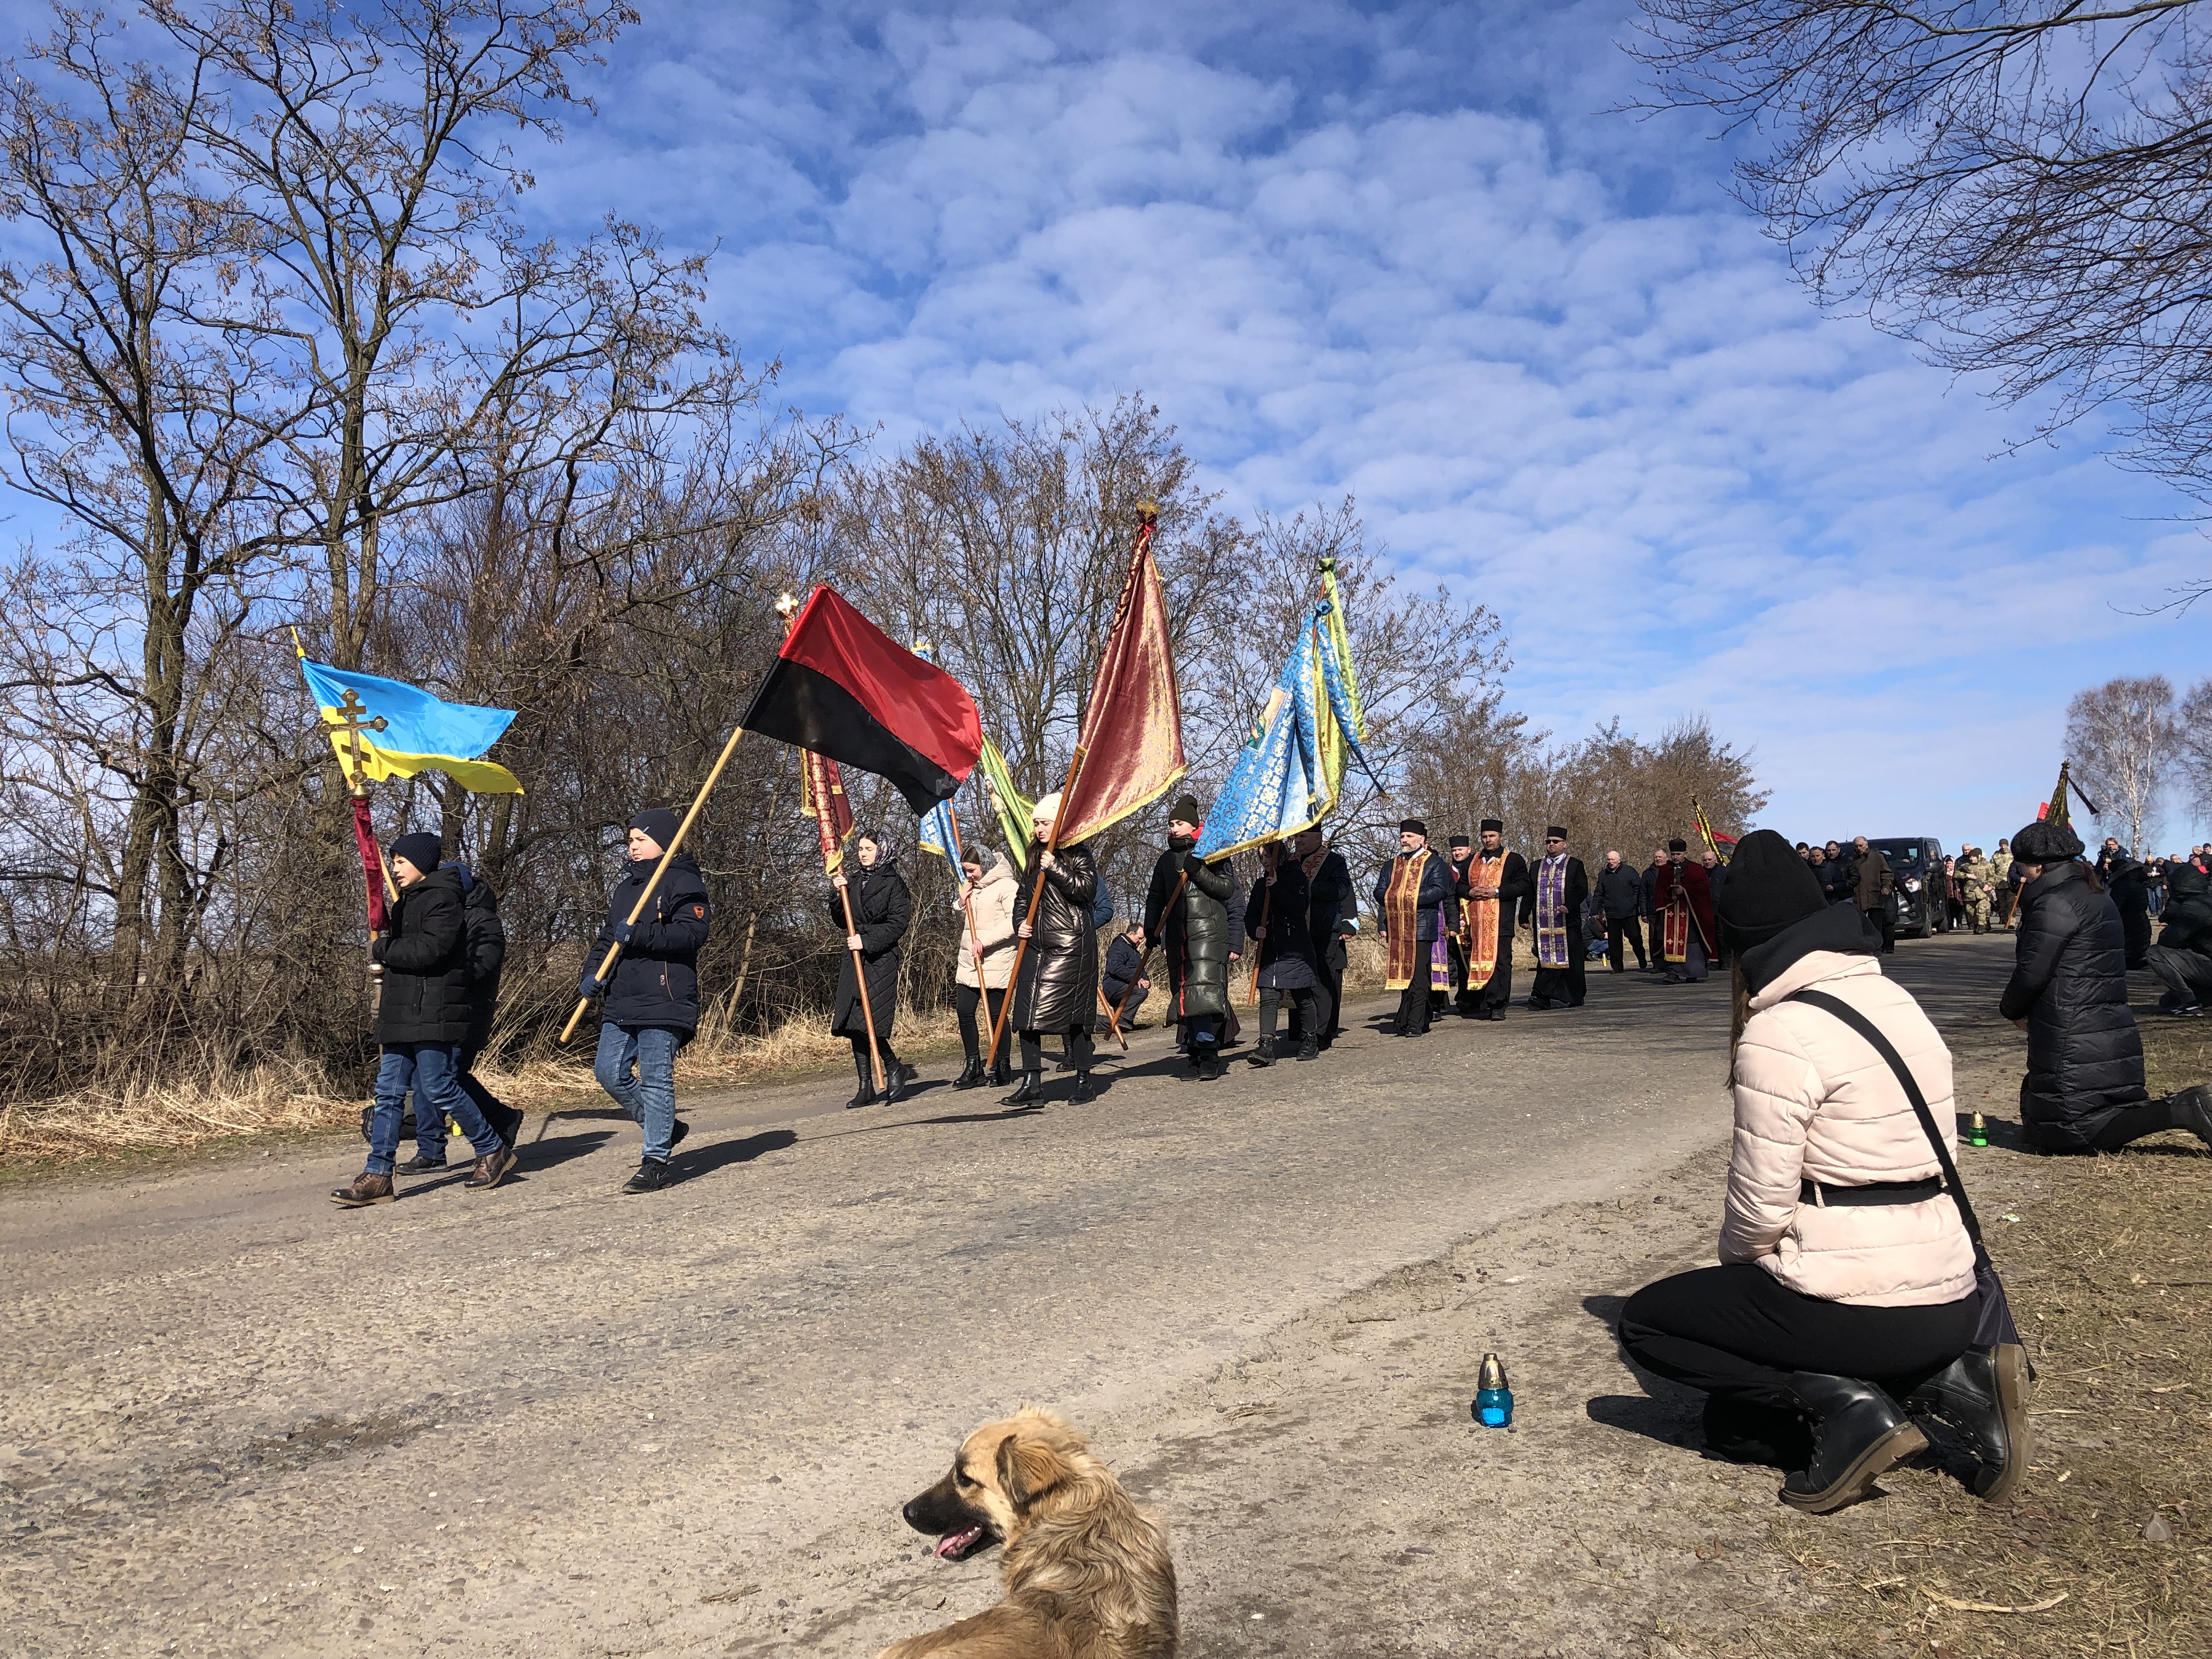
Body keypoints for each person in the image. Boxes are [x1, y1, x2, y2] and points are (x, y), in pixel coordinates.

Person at [1616, 831, 2010, 1513]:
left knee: (1647, 1323)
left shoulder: (1779, 1030)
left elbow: (1760, 1213)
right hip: (1951, 1300)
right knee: (1731, 1425)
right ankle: (1940, 1383)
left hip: (1859, 1307)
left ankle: (1851, 1405)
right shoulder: (1895, 998)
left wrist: (1741, 1275)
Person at [2000, 820, 2212, 1153]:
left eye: (2022, 866)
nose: (2020, 875)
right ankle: (2178, 1110)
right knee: (2096, 1110)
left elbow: (2032, 973)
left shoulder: (2054, 904)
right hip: (2104, 1017)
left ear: (2038, 866)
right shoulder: (2092, 893)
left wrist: (2011, 1009)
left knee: (2075, 1130)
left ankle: (2185, 1109)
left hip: (2071, 1022)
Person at [332, 832, 514, 1206]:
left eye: (401, 862)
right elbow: (408, 956)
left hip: (435, 1012)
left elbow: (430, 951)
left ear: (421, 863)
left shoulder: (445, 900)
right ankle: (378, 1173)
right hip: (401, 1013)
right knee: (388, 1093)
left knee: (440, 1086)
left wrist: (382, 947)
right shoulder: (405, 905)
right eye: (393, 862)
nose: (395, 870)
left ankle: (491, 1147)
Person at [585, 808, 710, 1194]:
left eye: (640, 839)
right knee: (608, 1072)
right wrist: (591, 975)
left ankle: (655, 1160)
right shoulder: (626, 889)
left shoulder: (684, 881)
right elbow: (608, 939)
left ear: (664, 841)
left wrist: (639, 936)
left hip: (666, 997)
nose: (632, 847)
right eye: (630, 840)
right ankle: (667, 1127)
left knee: (657, 1079)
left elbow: (692, 935)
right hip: (623, 996)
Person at [1004, 792, 1103, 1104]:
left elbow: (1086, 891)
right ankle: (1032, 1084)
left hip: (1072, 947)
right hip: (1037, 947)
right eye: (1036, 823)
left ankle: (1084, 1081)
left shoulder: (1078, 852)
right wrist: (1019, 923)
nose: (1038, 829)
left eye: (1045, 822)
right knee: (1027, 1015)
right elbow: (1024, 897)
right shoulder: (1034, 854)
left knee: (1074, 1017)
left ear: (1059, 822)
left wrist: (1057, 867)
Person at [1142, 794, 1236, 1080]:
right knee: (1186, 996)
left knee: (1202, 993)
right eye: (1171, 823)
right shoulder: (1166, 860)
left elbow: (1226, 889)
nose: (1173, 828)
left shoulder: (1212, 852)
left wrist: (1198, 872)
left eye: (1179, 823)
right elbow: (1156, 897)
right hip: (1178, 937)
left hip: (1207, 935)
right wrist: (1151, 929)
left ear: (1193, 825)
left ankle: (1209, 1053)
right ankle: (1194, 1051)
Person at [830, 831, 915, 1109]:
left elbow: (898, 924)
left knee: (870, 1023)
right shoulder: (853, 880)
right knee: (854, 1022)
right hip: (855, 958)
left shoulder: (894, 884)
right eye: (860, 848)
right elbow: (843, 920)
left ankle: (893, 1066)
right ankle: (865, 1086)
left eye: (869, 848)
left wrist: (866, 941)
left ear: (882, 850)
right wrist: (836, 893)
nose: (863, 853)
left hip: (881, 959)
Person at [1374, 818, 1454, 1036]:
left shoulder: (1434, 863)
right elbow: (1380, 891)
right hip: (1398, 928)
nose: (1404, 840)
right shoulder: (1392, 864)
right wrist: (1395, 897)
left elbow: (1439, 891)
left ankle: (1416, 1023)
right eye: (1402, 837)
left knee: (1419, 976)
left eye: (1409, 837)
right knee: (1404, 976)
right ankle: (1410, 1017)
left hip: (1422, 926)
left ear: (1422, 839)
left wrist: (1409, 897)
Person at [1245, 843, 1322, 1065]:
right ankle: (1266, 1045)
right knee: (1268, 996)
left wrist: (1277, 888)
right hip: (1271, 951)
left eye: (1268, 855)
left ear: (1280, 855)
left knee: (1302, 996)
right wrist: (1254, 930)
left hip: (1295, 949)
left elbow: (1299, 908)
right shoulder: (1261, 886)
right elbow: (1251, 915)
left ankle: (1310, 1040)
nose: (1265, 860)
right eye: (1261, 857)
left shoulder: (1297, 879)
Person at [952, 848, 1019, 1088]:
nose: (969, 875)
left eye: (972, 870)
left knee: (996, 1016)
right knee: (964, 1011)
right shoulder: (971, 889)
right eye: (965, 871)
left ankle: (1003, 1064)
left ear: (986, 865)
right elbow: (963, 922)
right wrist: (961, 903)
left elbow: (1014, 923)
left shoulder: (1007, 886)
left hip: (996, 959)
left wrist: (986, 941)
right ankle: (973, 1065)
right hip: (970, 960)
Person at [1459, 819, 1530, 1019]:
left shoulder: (1514, 860)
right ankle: (1482, 1000)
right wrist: (1470, 891)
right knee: (1480, 961)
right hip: (1477, 923)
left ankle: (1499, 1004)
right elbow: (1460, 886)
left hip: (1501, 921)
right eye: (1485, 837)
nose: (1488, 840)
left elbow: (1524, 886)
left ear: (1500, 837)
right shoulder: (1472, 861)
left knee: (1501, 962)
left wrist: (1496, 891)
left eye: (1492, 836)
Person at [1294, 826, 1356, 1046]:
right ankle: (1302, 1029)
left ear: (1317, 838)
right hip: (1297, 931)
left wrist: (1307, 887)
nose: (1298, 840)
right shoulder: (1291, 862)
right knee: (1299, 981)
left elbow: (1341, 890)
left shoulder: (1334, 861)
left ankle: (1321, 1031)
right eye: (1296, 836)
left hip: (1324, 929)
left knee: (1322, 981)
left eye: (1303, 836)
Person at [1527, 827, 1589, 1011]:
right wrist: (1524, 915)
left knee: (1571, 961)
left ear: (1564, 844)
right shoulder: (1537, 866)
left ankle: (1574, 995)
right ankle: (1541, 996)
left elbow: (1581, 890)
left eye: (1555, 842)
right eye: (1548, 842)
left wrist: (1568, 906)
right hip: (1544, 923)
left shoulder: (1575, 865)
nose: (1551, 845)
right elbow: (1530, 893)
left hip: (1567, 922)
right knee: (1545, 958)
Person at [2147, 860, 2212, 1017]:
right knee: (2167, 1003)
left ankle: (2191, 1004)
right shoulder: (2205, 902)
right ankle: (2199, 998)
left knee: (2155, 953)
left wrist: (2173, 911)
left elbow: (2167, 941)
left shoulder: (2193, 909)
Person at [1654, 839, 1718, 983]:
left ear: (1685, 853)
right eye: (1673, 854)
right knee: (1671, 941)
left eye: (1679, 854)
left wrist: (1685, 891)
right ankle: (1673, 973)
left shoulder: (1696, 870)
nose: (1676, 857)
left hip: (1692, 913)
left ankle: (1692, 972)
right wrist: (1670, 895)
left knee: (1691, 942)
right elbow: (1659, 892)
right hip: (1671, 912)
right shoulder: (1664, 871)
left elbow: (1703, 892)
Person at [1595, 849, 1646, 973]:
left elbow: (1638, 888)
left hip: (1629, 913)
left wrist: (1634, 903)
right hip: (1612, 914)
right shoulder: (1603, 875)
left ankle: (1642, 958)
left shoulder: (1630, 872)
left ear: (1619, 860)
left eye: (1613, 860)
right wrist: (1595, 910)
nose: (1611, 862)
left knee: (1634, 937)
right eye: (1609, 860)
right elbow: (1599, 893)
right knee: (1614, 942)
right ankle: (1617, 967)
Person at [1443, 833, 1476, 1018]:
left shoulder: (1475, 867)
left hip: (1475, 919)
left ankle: (1478, 996)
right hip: (1456, 921)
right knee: (1460, 961)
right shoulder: (1448, 871)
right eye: (1454, 850)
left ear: (1468, 850)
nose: (1457, 853)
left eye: (1460, 850)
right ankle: (1464, 997)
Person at [2105, 848, 2153, 969]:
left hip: (2127, 919)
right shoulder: (2137, 880)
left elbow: (2117, 904)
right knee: (2138, 937)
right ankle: (2137, 957)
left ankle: (2130, 959)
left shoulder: (2122, 884)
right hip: (2140, 917)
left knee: (2129, 938)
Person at [1849, 835, 1895, 954]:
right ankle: (1863, 949)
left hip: (1875, 896)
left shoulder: (1877, 857)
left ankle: (1877, 948)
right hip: (1858, 898)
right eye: (1857, 846)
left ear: (1867, 845)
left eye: (1861, 846)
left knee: (1876, 925)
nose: (1859, 848)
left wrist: (1886, 887)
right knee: (1860, 926)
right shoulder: (1851, 860)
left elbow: (1887, 874)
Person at [1101, 923, 1150, 1031]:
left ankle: (1121, 1022)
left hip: (1123, 985)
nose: (1141, 942)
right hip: (1113, 986)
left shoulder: (1134, 951)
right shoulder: (1119, 947)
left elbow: (1140, 969)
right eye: (1140, 938)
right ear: (1132, 933)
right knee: (1141, 991)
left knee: (1125, 1027)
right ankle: (1119, 1019)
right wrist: (1137, 978)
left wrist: (1146, 980)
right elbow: (1115, 968)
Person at [1956, 846, 1995, 934]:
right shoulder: (1966, 866)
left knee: (1982, 909)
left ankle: (1982, 926)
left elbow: (1993, 878)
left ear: (1979, 857)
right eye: (1971, 857)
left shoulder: (1987, 865)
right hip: (1970, 893)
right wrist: (1967, 876)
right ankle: (1976, 925)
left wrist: (1989, 886)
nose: (1972, 859)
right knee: (1971, 911)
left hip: (1983, 893)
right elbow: (1956, 874)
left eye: (1974, 857)